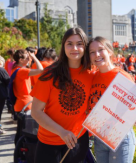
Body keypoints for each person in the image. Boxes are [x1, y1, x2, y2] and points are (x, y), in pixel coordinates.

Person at [31, 27, 92, 163]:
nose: (74, 48)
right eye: (69, 43)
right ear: (63, 46)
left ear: (85, 47)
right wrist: (62, 132)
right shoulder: (49, 74)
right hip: (49, 142)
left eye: (79, 44)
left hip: (78, 140)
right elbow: (36, 112)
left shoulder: (91, 74)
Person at [86, 36, 136, 163]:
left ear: (109, 51)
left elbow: (132, 112)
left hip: (119, 137)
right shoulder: (92, 77)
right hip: (99, 138)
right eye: (92, 52)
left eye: (100, 49)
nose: (96, 55)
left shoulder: (123, 77)